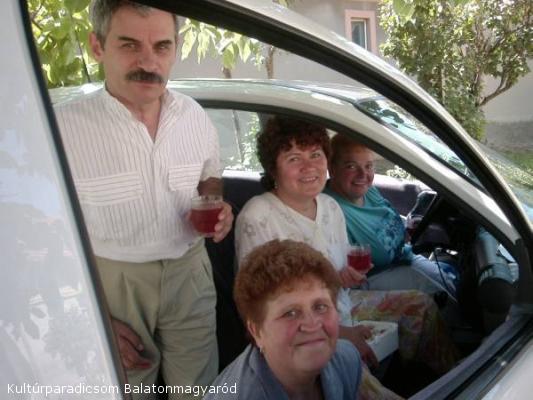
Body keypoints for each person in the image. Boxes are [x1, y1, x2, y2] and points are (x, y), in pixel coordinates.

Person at [54, 1, 233, 397]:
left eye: (162, 46)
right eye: (129, 45)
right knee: (128, 390)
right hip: (111, 283)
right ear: (97, 46)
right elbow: (44, 234)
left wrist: (216, 203)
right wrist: (91, 315)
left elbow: (210, 175)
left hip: (189, 271)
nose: (148, 62)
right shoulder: (63, 128)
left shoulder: (194, 116)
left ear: (176, 48)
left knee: (199, 390)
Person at [235, 116, 459, 399]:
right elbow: (260, 311)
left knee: (421, 305)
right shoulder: (258, 217)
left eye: (316, 155)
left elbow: (335, 278)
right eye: (294, 158)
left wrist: (343, 277)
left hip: (344, 304)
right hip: (303, 332)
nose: (309, 167)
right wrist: (340, 333)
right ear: (272, 168)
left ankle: (458, 382)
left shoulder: (330, 207)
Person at [205, 239, 362, 399]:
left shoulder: (347, 362)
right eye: (290, 313)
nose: (312, 324)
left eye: (320, 306)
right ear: (256, 331)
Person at [325, 134, 458, 297]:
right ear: (332, 168)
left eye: (368, 166)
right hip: (373, 279)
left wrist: (403, 232)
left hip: (405, 257)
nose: (363, 175)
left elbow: (390, 217)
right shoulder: (330, 209)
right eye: (351, 166)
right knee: (447, 295)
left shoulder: (368, 191)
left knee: (451, 282)